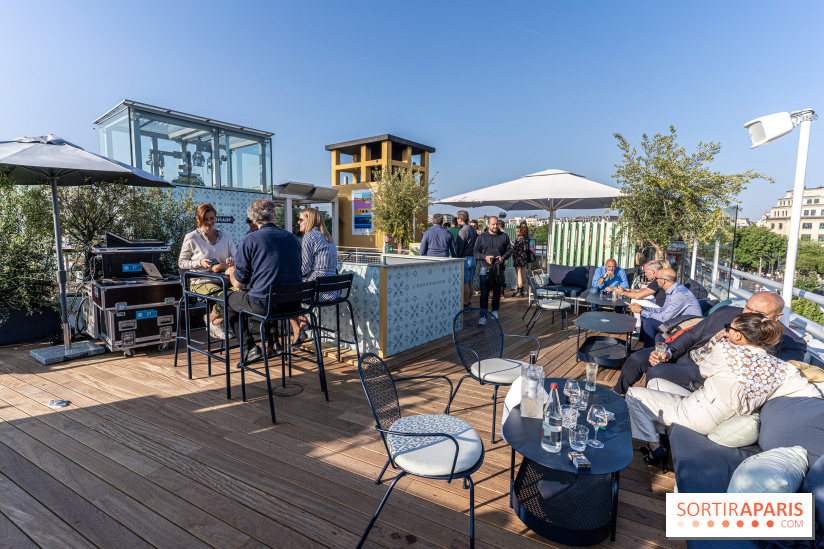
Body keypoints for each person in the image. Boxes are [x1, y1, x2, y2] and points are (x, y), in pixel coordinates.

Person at [626, 313, 822, 466]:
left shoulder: (726, 350)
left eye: (729, 328)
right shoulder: (782, 367)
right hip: (722, 413)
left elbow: (703, 372)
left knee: (633, 395)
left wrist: (720, 343)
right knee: (656, 384)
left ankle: (655, 445)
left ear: (737, 334)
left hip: (701, 413)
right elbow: (810, 393)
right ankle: (664, 436)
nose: (726, 331)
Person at [612, 292, 807, 395]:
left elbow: (772, 373)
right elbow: (692, 336)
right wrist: (669, 352)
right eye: (748, 307)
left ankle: (655, 430)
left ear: (778, 316)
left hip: (704, 374)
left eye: (759, 314)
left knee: (658, 372)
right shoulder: (727, 312)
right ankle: (618, 393)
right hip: (686, 355)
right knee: (638, 357)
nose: (748, 315)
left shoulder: (790, 342)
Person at [224, 198, 302, 363]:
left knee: (226, 299)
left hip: (266, 304)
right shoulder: (292, 238)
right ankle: (273, 343)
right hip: (293, 304)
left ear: (253, 219)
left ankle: (249, 347)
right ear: (273, 216)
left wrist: (231, 271)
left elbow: (239, 284)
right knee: (268, 292)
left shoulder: (249, 239)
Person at [178, 203, 236, 340]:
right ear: (198, 219)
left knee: (242, 293)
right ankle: (215, 323)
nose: (210, 222)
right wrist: (200, 263)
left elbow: (237, 255)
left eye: (212, 218)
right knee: (225, 296)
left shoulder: (224, 236)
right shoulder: (191, 237)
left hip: (224, 280)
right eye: (206, 219)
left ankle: (212, 320)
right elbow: (181, 263)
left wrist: (232, 260)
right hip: (200, 281)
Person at [289, 208, 338, 345]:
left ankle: (299, 326)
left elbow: (304, 269)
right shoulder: (328, 237)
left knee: (284, 295)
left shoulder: (309, 236)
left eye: (300, 219)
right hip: (333, 291)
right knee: (291, 293)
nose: (298, 222)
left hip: (319, 290)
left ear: (309, 220)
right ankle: (301, 326)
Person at [628, 268, 702, 348]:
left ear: (663, 281)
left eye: (656, 278)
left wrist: (642, 311)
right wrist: (643, 308)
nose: (655, 280)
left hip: (687, 328)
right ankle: (646, 346)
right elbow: (663, 310)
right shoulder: (672, 291)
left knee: (649, 322)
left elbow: (664, 318)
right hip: (678, 321)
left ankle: (648, 350)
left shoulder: (679, 294)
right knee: (645, 315)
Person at [474, 216, 512, 320]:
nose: (495, 226)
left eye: (496, 224)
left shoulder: (504, 236)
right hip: (485, 269)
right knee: (484, 292)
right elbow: (476, 252)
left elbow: (509, 250)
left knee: (497, 292)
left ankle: (495, 311)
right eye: (493, 224)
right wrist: (484, 257)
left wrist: (503, 257)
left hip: (499, 268)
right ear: (488, 224)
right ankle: (483, 315)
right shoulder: (481, 237)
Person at [455, 210, 477, 308]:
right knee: (470, 282)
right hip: (473, 258)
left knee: (465, 283)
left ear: (460, 218)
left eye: (457, 218)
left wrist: (456, 257)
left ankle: (465, 303)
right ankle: (469, 302)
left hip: (466, 258)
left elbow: (460, 246)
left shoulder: (463, 230)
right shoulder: (472, 228)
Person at [511, 224, 530, 298]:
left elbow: (515, 249)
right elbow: (525, 248)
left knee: (518, 273)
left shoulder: (519, 239)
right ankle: (523, 290)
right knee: (523, 272)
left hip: (518, 256)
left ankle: (519, 290)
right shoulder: (527, 238)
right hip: (524, 256)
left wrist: (512, 244)